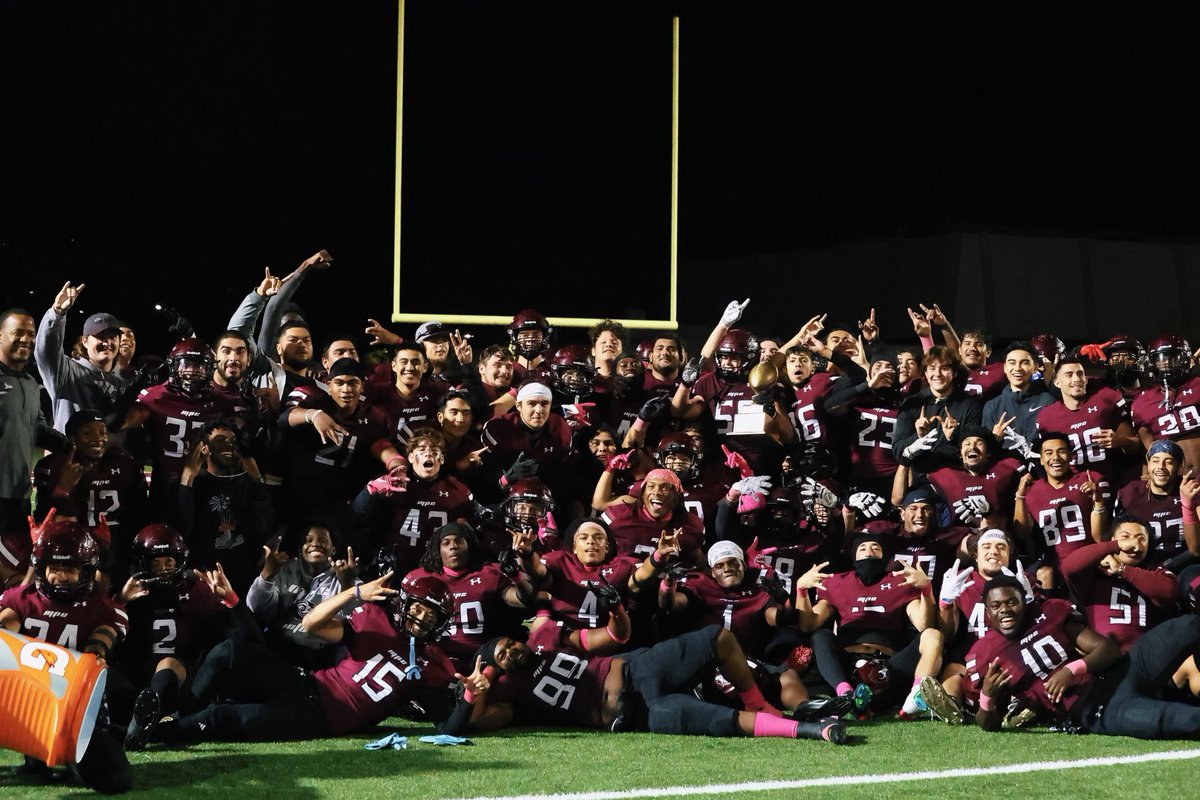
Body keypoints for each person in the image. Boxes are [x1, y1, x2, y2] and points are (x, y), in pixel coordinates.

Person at [142, 573, 462, 744]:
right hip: (306, 684)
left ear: (441, 624)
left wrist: (473, 692)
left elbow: (448, 721)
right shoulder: (376, 622)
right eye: (418, 608)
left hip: (319, 720)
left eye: (431, 616)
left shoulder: (432, 663)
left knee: (218, 717)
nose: (420, 619)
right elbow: (311, 624)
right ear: (405, 604)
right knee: (229, 652)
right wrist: (354, 593)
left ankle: (153, 734)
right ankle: (175, 715)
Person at [457, 618, 846, 743]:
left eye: (509, 643)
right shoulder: (511, 696)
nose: (511, 651)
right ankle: (812, 730)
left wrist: (616, 611)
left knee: (717, 636)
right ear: (497, 668)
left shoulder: (544, 638)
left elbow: (613, 637)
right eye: (501, 654)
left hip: (641, 669)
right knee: (718, 722)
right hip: (639, 713)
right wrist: (473, 693)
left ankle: (757, 700)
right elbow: (474, 722)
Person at [966, 574, 1200, 738]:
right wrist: (987, 697)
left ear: (1024, 604)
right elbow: (990, 725)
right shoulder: (986, 654)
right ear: (987, 612)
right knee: (1178, 720)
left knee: (1185, 626)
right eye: (996, 606)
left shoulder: (1048, 614)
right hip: (1095, 709)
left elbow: (1109, 649)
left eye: (1011, 602)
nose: (1005, 610)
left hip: (1121, 672)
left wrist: (1072, 669)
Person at [116, 524, 250, 750]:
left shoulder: (197, 591)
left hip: (180, 683)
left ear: (180, 561)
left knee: (169, 664)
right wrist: (120, 602)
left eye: (169, 562)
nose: (164, 569)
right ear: (142, 564)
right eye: (155, 563)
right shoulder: (130, 593)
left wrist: (226, 600)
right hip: (136, 681)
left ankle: (144, 724)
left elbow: (234, 634)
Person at [795, 532, 944, 719]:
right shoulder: (837, 583)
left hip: (890, 667)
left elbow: (924, 624)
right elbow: (808, 624)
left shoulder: (900, 581)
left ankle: (915, 698)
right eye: (862, 548)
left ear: (885, 556)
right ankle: (847, 696)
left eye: (875, 547)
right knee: (820, 636)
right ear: (853, 556)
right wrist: (801, 590)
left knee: (933, 635)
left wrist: (926, 590)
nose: (869, 552)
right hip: (847, 667)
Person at [660, 541, 813, 711]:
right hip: (705, 664)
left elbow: (778, 619)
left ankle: (808, 711)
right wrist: (668, 582)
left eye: (733, 562)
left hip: (746, 661)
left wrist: (784, 600)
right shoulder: (700, 584)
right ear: (712, 571)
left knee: (787, 675)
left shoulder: (758, 586)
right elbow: (671, 604)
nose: (727, 568)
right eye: (720, 565)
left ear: (744, 565)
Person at [33, 409, 149, 585]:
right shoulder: (52, 466)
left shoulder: (126, 465)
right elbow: (43, 518)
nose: (98, 438)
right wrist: (63, 487)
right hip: (72, 549)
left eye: (103, 432)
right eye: (87, 433)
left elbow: (139, 514)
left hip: (117, 548)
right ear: (72, 438)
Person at [401, 521, 533, 672]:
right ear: (437, 550)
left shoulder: (489, 574)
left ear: (469, 545)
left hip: (481, 658)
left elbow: (524, 599)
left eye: (459, 541)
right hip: (429, 656)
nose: (453, 546)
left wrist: (516, 575)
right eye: (446, 543)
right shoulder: (418, 578)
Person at [174, 418, 275, 595]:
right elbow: (183, 529)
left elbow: (265, 528)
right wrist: (188, 477)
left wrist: (258, 480)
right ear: (204, 448)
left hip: (245, 579)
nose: (229, 446)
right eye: (220, 441)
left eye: (233, 441)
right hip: (205, 580)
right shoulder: (191, 483)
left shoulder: (248, 482)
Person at [353, 429, 475, 576]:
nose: (428, 453)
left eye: (434, 450)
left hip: (438, 568)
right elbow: (355, 517)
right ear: (410, 457)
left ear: (442, 459)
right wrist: (370, 491)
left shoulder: (458, 490)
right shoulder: (393, 483)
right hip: (397, 565)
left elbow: (468, 537)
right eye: (422, 449)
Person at [0, 308, 64, 566]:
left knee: (13, 567)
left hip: (20, 495)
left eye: (31, 334)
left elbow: (39, 431)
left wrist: (73, 445)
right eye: (18, 333)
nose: (26, 339)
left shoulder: (29, 383)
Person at [247, 525, 359, 669]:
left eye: (323, 540)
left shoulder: (346, 576)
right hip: (273, 646)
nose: (315, 544)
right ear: (300, 550)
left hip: (312, 659)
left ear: (333, 550)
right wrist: (266, 575)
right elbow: (258, 610)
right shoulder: (284, 568)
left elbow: (354, 626)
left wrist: (347, 586)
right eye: (308, 540)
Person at [1060, 516, 1177, 653]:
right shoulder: (1094, 574)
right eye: (1125, 537)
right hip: (1105, 657)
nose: (1134, 544)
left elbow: (1168, 591)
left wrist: (1122, 569)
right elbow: (1069, 566)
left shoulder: (1154, 571)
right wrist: (1116, 546)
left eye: (1141, 539)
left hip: (1145, 656)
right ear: (1112, 540)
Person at [1013, 432, 1111, 589]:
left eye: (1061, 451)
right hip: (1055, 571)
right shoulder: (1032, 490)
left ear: (1071, 456)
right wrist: (1020, 496)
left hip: (1091, 565)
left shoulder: (1090, 479)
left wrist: (1098, 501)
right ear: (1041, 459)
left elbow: (1101, 537)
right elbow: (1022, 533)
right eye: (1049, 453)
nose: (1056, 458)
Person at [35, 282, 130, 432]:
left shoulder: (121, 382)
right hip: (71, 454)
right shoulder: (67, 373)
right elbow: (46, 351)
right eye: (101, 337)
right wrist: (57, 314)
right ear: (84, 341)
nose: (108, 343)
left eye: (113, 337)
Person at [1035, 353, 1137, 484]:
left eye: (1080, 374)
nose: (1077, 379)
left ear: (1086, 379)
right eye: (1069, 375)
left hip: (1109, 482)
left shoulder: (1105, 401)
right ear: (1057, 383)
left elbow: (1135, 445)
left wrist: (1122, 441)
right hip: (1072, 489)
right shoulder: (1047, 417)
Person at [892, 346, 983, 477]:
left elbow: (975, 453)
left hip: (956, 477)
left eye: (944, 368)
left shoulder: (970, 405)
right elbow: (897, 451)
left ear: (955, 372)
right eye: (932, 368)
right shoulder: (911, 403)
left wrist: (952, 437)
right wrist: (918, 437)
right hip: (920, 481)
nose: (937, 374)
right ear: (925, 373)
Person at [1115, 439, 1198, 565]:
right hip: (1143, 568)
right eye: (1155, 461)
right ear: (1148, 464)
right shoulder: (1130, 493)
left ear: (1180, 467)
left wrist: (1188, 505)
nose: (1161, 467)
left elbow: (1196, 549)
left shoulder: (1192, 491)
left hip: (1184, 566)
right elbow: (1113, 539)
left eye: (1169, 462)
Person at [926, 426, 1025, 530]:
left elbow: (1028, 477)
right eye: (967, 443)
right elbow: (921, 466)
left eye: (979, 443)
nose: (972, 447)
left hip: (998, 537)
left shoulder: (1006, 469)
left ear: (988, 452)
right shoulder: (946, 474)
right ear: (960, 453)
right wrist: (950, 442)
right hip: (962, 540)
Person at [600, 469, 705, 564]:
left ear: (677, 496)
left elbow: (698, 563)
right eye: (651, 486)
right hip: (622, 581)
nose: (657, 492)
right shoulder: (618, 515)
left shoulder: (691, 524)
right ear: (643, 493)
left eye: (665, 487)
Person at [1132, 333, 1200, 470]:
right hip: (1175, 480)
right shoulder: (1142, 403)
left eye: (1173, 358)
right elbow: (1150, 452)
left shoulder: (1197, 385)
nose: (1167, 363)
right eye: (1161, 359)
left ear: (1185, 359)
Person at [982, 341, 1055, 450]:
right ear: (1005, 368)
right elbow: (986, 451)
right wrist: (994, 439)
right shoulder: (992, 406)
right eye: (1012, 363)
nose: (1017, 368)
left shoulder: (1048, 401)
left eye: (1024, 363)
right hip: (1006, 466)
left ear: (1035, 367)